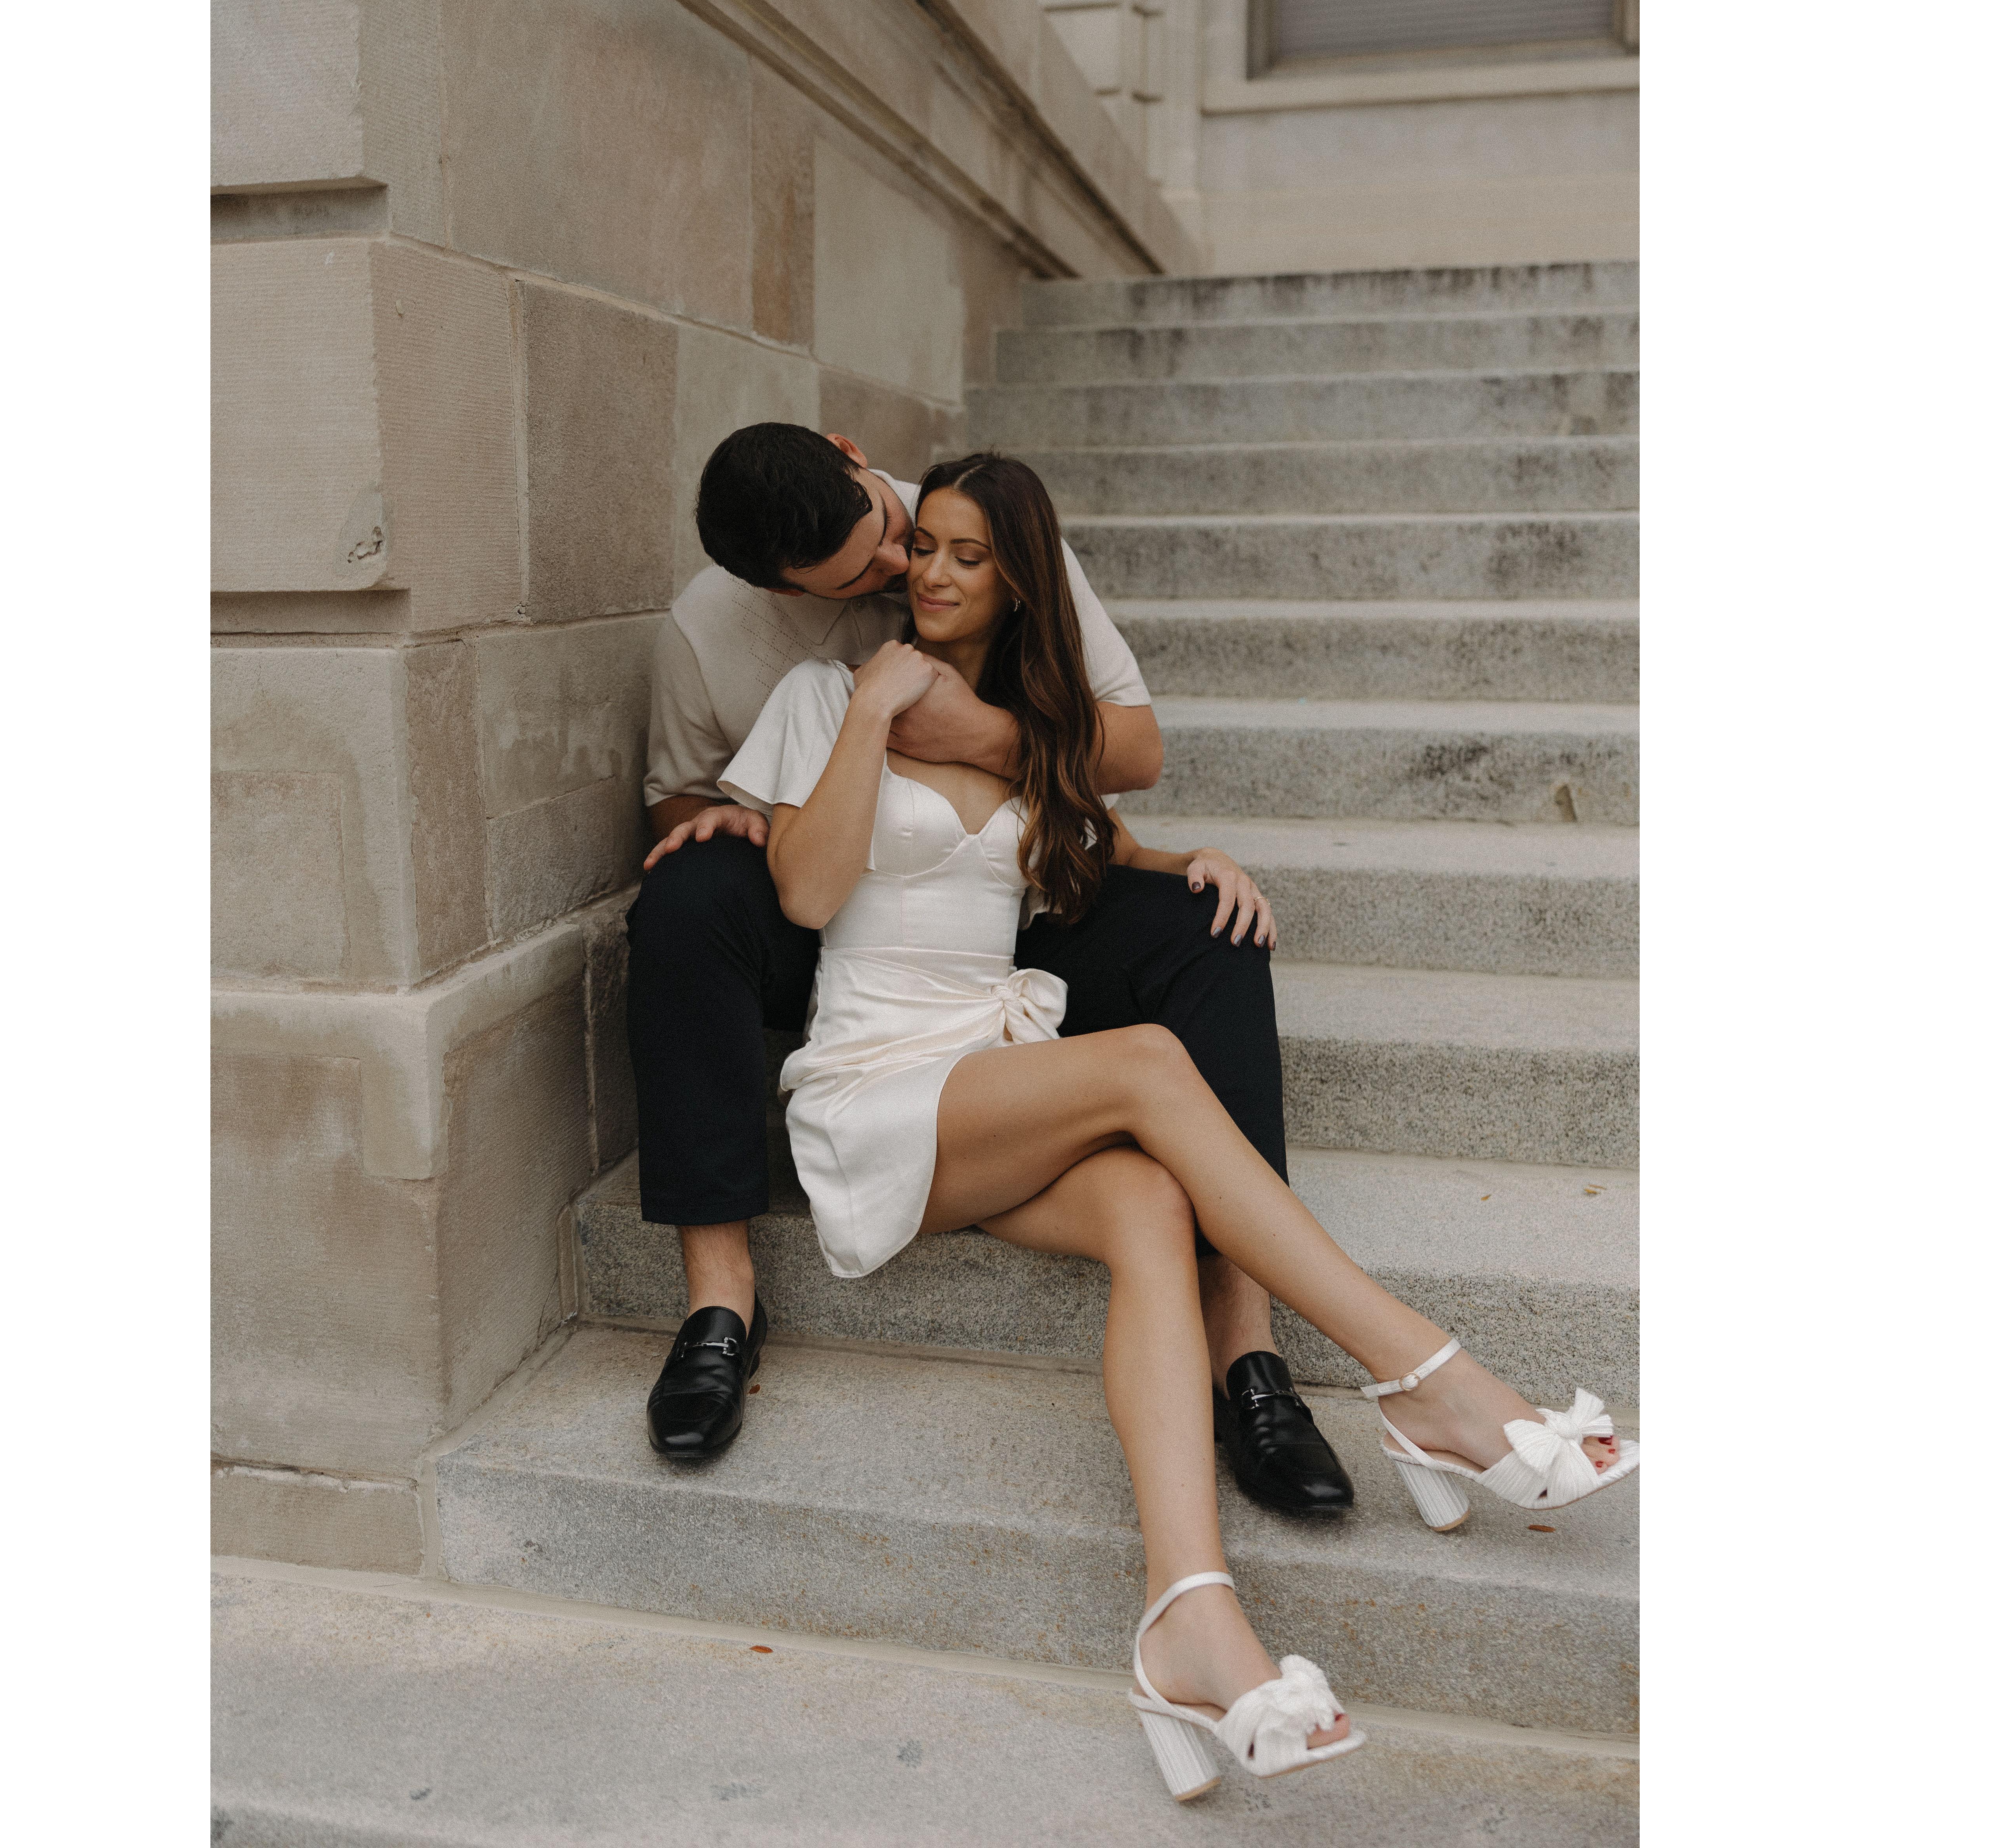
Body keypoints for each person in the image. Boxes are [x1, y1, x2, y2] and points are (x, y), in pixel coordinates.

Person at [713, 452, 1639, 1799]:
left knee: (1150, 1198)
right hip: (875, 1081)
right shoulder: (824, 692)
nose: (933, 574)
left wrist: (1192, 862)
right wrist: (870, 708)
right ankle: (1427, 1379)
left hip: (990, 1072)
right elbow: (803, 894)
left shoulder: (1029, 719)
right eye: (928, 550)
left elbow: (1084, 850)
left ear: (1019, 580)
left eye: (971, 556)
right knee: (1147, 1064)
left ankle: (1189, 1625)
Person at [632, 426, 1350, 1521]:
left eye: (898, 536)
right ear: (783, 587)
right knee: (684, 894)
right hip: (826, 906)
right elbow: (677, 800)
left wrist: (981, 735)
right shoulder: (712, 636)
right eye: (864, 575)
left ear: (854, 455)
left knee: (1210, 928)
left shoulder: (979, 525)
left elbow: (1133, 753)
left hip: (1004, 896)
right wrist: (753, 815)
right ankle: (720, 1300)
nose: (903, 571)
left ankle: (1244, 1348)